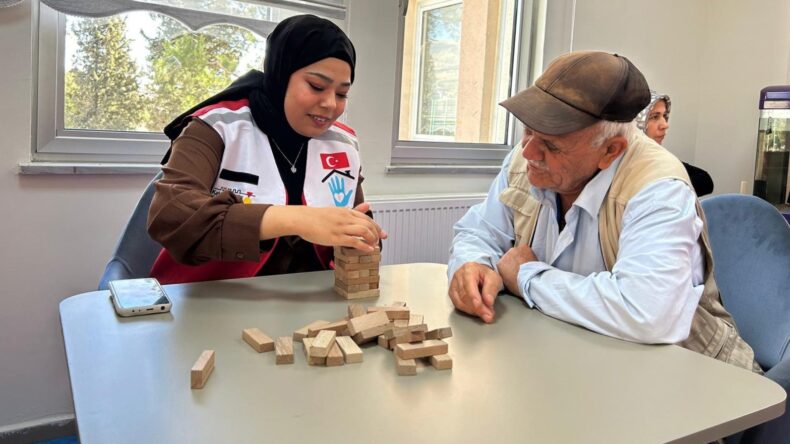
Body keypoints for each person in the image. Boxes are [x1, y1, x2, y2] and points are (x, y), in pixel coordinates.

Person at [447, 51, 759, 372]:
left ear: (610, 151)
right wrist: (472, 264)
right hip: (581, 362)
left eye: (552, 146)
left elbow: (646, 314)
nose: (528, 151)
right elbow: (478, 232)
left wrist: (525, 276)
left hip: (697, 378)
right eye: (527, 131)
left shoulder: (658, 188)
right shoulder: (527, 158)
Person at [147, 14, 386, 285]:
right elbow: (172, 216)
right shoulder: (216, 127)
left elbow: (354, 227)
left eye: (342, 94)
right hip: (210, 298)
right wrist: (297, 219)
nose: (331, 104)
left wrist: (360, 239)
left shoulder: (343, 143)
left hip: (308, 302)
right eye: (316, 86)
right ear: (281, 76)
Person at [635, 91, 714, 196]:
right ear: (635, 121)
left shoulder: (659, 158)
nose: (665, 125)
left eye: (664, 116)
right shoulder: (619, 166)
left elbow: (705, 181)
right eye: (654, 117)